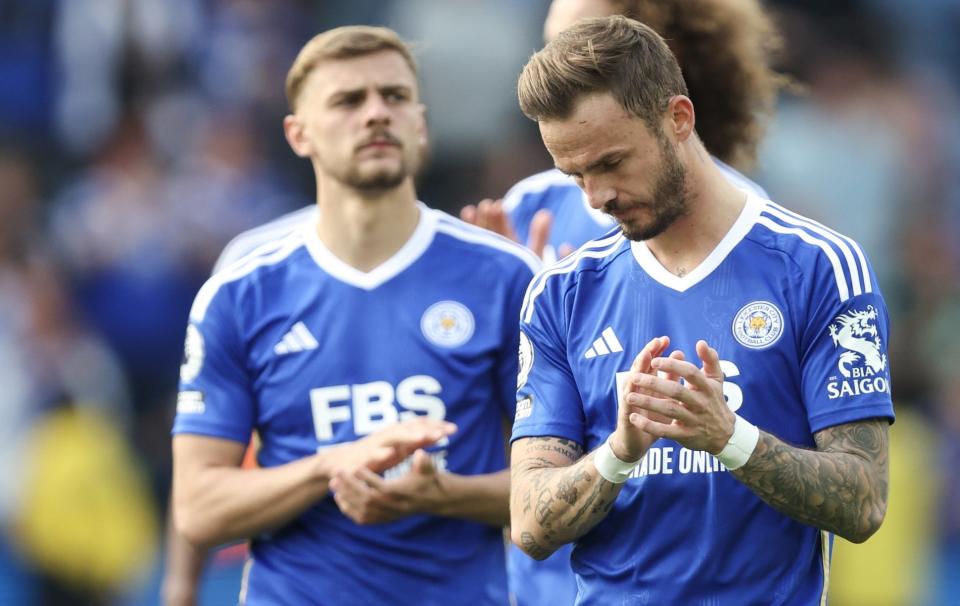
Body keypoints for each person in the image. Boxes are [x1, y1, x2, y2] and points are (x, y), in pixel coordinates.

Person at [509, 15, 892, 605]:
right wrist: (619, 452)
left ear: (678, 119)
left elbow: (864, 500)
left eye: (611, 162)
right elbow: (530, 525)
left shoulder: (817, 266)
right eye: (574, 175)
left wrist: (729, 437)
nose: (595, 198)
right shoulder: (561, 291)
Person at [170, 25, 540, 605]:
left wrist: (442, 493)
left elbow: (562, 482)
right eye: (347, 101)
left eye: (393, 97)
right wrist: (331, 467)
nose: (375, 114)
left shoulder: (508, 277)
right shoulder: (240, 292)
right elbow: (198, 507)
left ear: (420, 121)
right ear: (298, 134)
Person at [461, 0, 784, 264]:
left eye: (586, 48)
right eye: (553, 45)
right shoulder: (530, 206)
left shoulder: (750, 224)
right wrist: (523, 303)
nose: (559, 64)